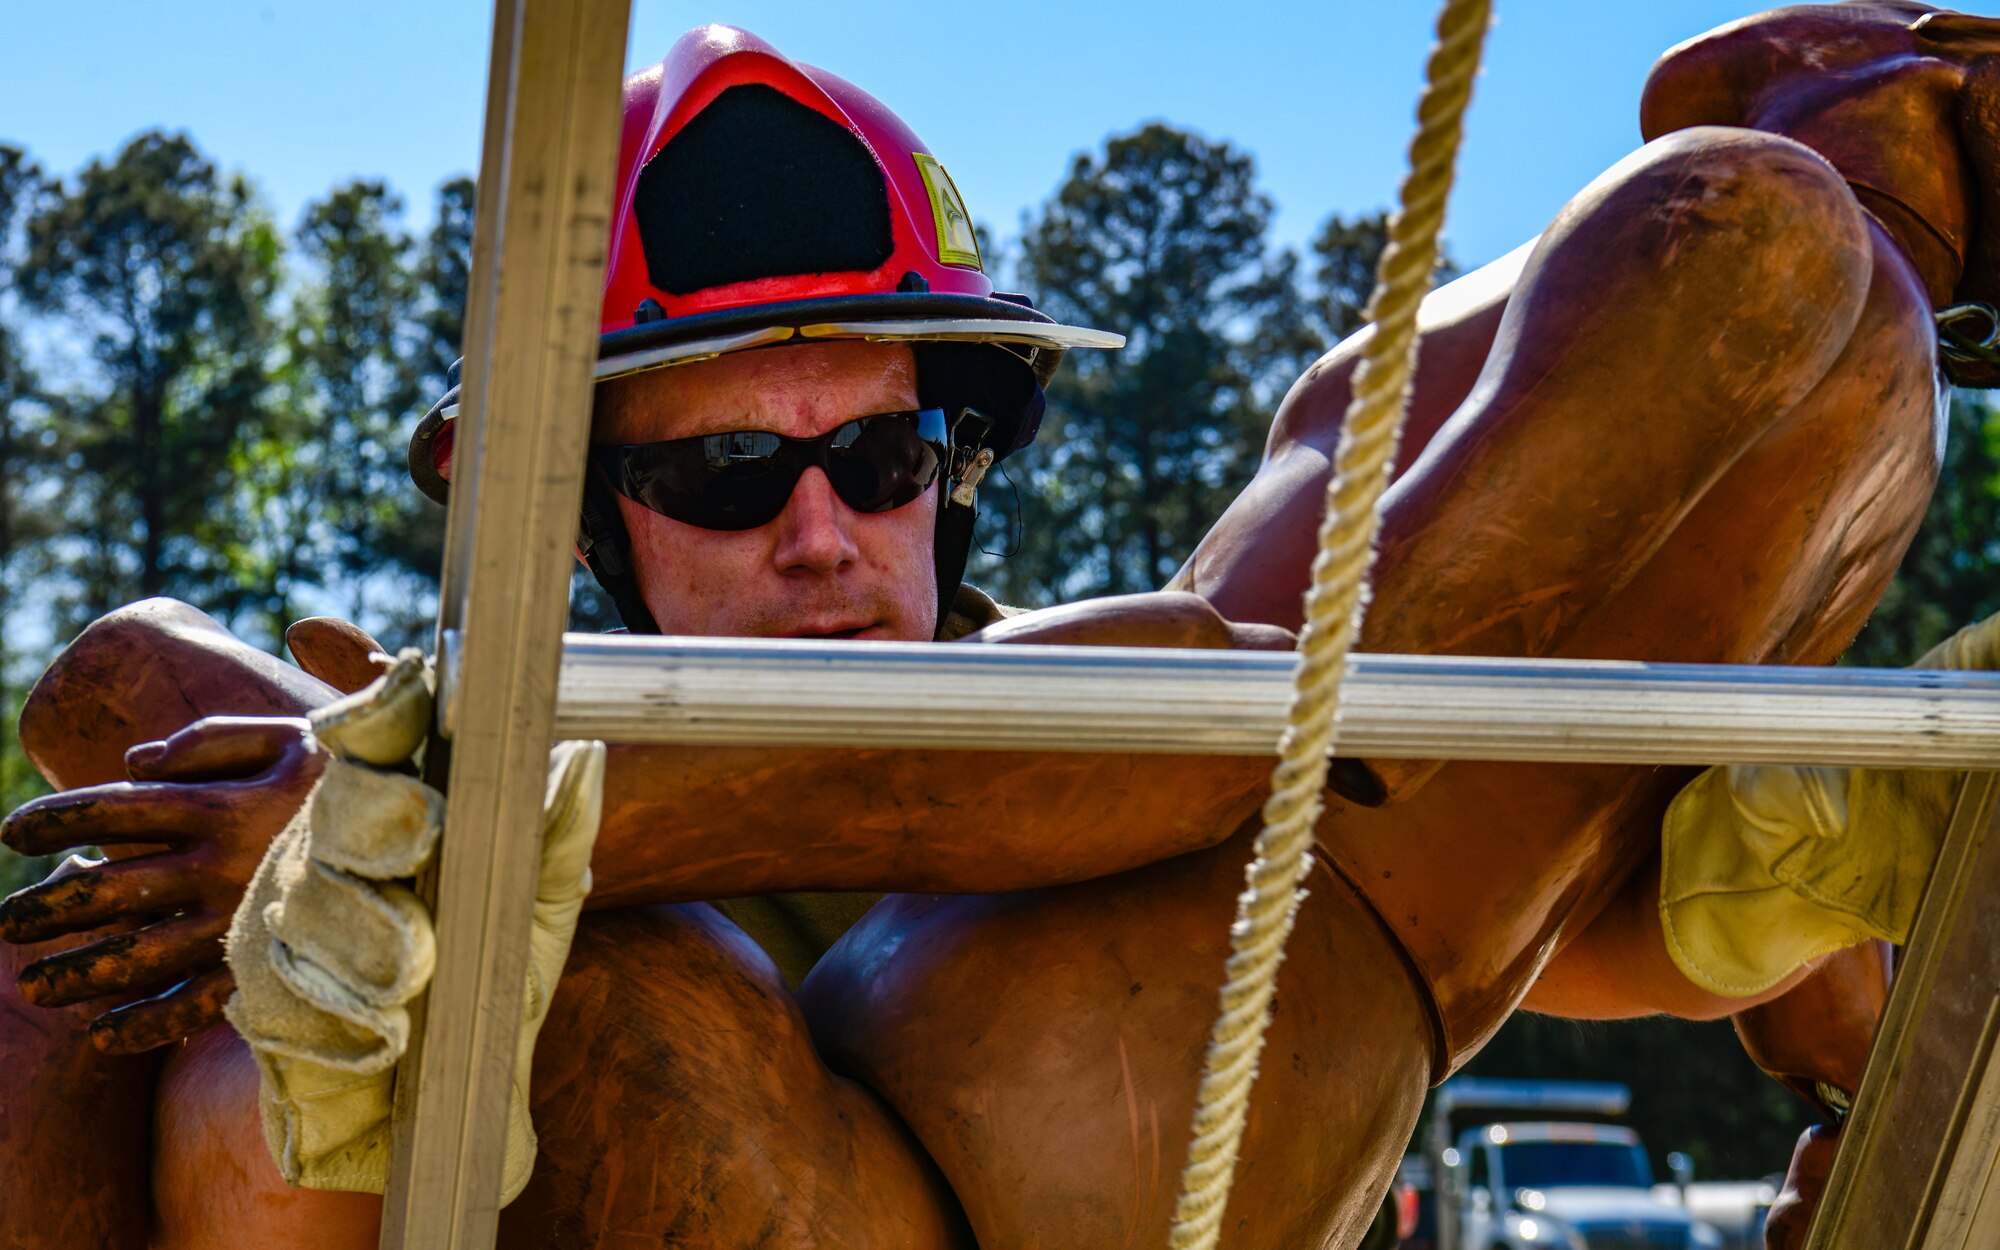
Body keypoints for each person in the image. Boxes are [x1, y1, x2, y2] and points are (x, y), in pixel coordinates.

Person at [3, 6, 1996, 1247]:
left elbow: (1457, 814)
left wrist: (1826, 940)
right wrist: (404, 807)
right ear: (579, 528)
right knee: (82, 994)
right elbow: (125, 679)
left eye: (881, 460)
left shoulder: (1087, 711)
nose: (818, 535)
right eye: (718, 480)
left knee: (625, 988)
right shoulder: (366, 774)